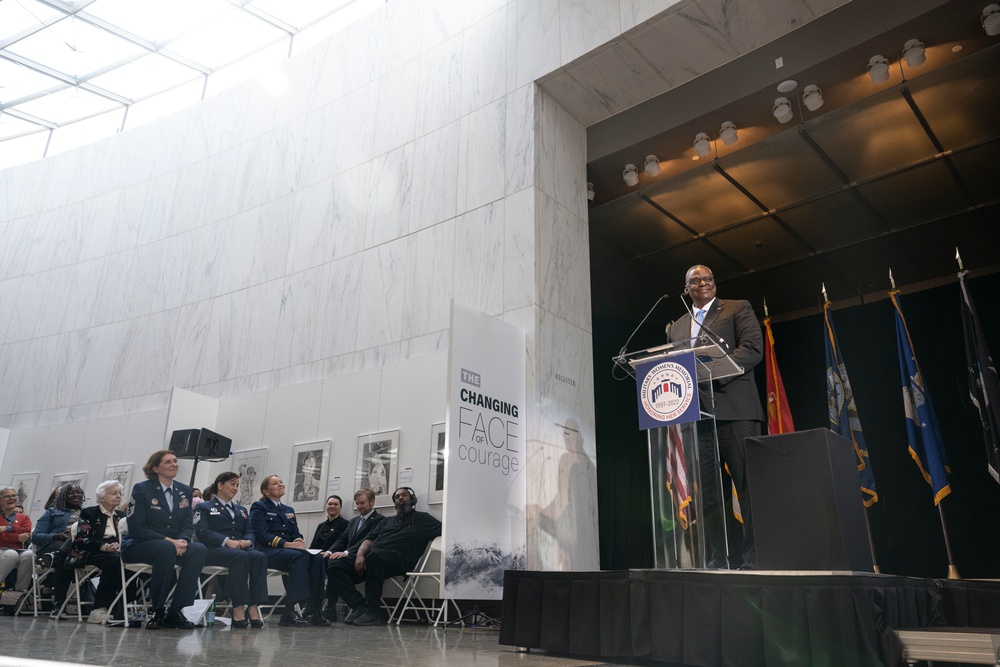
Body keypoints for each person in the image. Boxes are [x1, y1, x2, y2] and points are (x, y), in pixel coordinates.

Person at [668, 264, 764, 570]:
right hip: (697, 420)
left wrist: (713, 373)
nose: (703, 283)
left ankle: (753, 560)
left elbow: (751, 349)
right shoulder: (677, 327)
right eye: (695, 280)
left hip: (736, 412)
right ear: (687, 289)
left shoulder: (737, 308)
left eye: (708, 278)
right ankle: (716, 560)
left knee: (748, 489)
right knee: (708, 497)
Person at [327, 487, 440, 626]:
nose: (400, 498)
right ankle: (359, 605)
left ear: (412, 498)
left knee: (375, 556)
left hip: (400, 560)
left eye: (404, 495)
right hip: (373, 558)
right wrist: (360, 555)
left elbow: (447, 530)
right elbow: (368, 540)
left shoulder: (423, 519)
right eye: (397, 496)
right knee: (334, 564)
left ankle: (373, 611)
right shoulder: (386, 521)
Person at [122, 450, 208, 629]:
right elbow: (137, 528)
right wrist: (170, 541)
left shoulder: (184, 490)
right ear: (155, 468)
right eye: (168, 462)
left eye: (175, 461)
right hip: (139, 545)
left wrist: (183, 541)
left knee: (198, 549)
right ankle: (157, 610)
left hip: (171, 546)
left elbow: (186, 525)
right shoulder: (142, 489)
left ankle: (175, 611)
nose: (174, 464)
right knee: (165, 548)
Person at [249, 475, 328, 627]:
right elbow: (261, 534)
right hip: (267, 550)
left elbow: (295, 533)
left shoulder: (288, 510)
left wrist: (298, 541)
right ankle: (289, 611)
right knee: (299, 558)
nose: (280, 485)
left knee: (317, 558)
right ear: (266, 491)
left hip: (288, 552)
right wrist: (286, 544)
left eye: (281, 482)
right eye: (275, 483)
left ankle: (315, 608)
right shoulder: (259, 507)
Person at [194, 471, 266, 628]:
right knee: (240, 557)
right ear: (220, 485)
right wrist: (226, 541)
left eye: (237, 485)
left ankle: (253, 606)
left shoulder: (241, 510)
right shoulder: (204, 507)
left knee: (259, 556)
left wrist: (248, 541)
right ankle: (238, 607)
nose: (235, 488)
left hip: (239, 548)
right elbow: (202, 532)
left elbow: (249, 531)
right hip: (214, 550)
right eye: (232, 484)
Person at [66, 480, 127, 624]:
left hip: (116, 552)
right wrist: (104, 546)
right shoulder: (90, 513)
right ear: (102, 496)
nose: (118, 496)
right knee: (115, 561)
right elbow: (81, 539)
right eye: (113, 493)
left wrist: (120, 546)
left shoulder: (121, 515)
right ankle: (98, 609)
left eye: (120, 493)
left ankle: (122, 607)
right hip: (88, 552)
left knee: (130, 560)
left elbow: (128, 537)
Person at [321, 488, 383, 621]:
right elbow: (342, 540)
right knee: (331, 562)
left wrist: (346, 552)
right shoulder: (354, 521)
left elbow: (367, 541)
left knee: (334, 565)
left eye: (362, 503)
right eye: (357, 503)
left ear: (372, 502)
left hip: (364, 561)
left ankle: (353, 605)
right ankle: (358, 604)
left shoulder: (380, 520)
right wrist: (330, 551)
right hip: (348, 560)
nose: (359, 506)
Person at [33, 483, 85, 618]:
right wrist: (57, 536)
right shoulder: (52, 512)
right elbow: (36, 537)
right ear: (63, 496)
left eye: (78, 492)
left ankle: (57, 557)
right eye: (71, 493)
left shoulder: (87, 513)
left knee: (70, 553)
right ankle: (60, 603)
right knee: (69, 554)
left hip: (77, 549)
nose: (76, 495)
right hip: (53, 545)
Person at [0, 487, 33, 594]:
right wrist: (17, 537)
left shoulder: (24, 517)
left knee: (29, 554)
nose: (12, 498)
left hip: (17, 550)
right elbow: (20, 535)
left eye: (14, 496)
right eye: (8, 496)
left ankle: (19, 591)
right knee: (11, 554)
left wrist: (7, 528)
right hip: (3, 550)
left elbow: (26, 532)